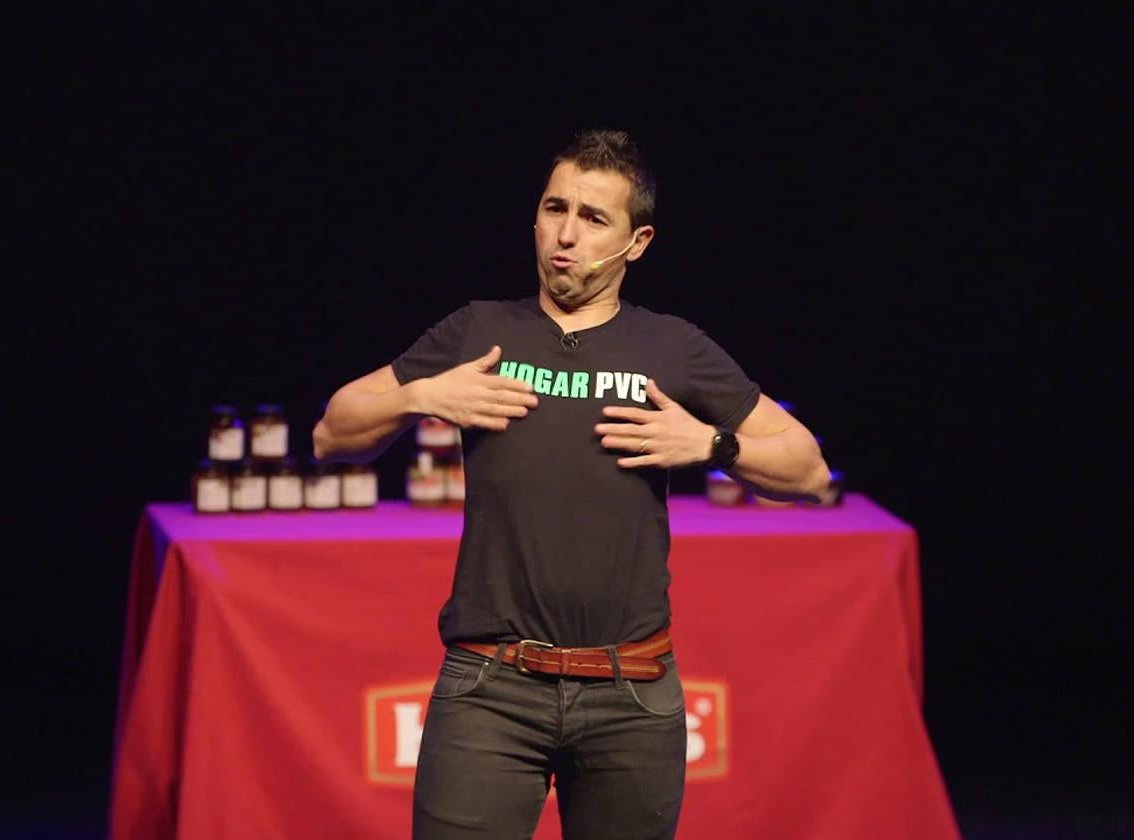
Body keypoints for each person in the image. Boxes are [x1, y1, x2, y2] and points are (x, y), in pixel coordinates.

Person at [313, 129, 829, 840]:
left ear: (636, 242)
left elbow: (808, 468)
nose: (566, 233)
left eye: (594, 219)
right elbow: (331, 432)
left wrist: (709, 443)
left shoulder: (671, 346)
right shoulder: (480, 330)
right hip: (491, 688)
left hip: (632, 696)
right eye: (555, 208)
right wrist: (421, 396)